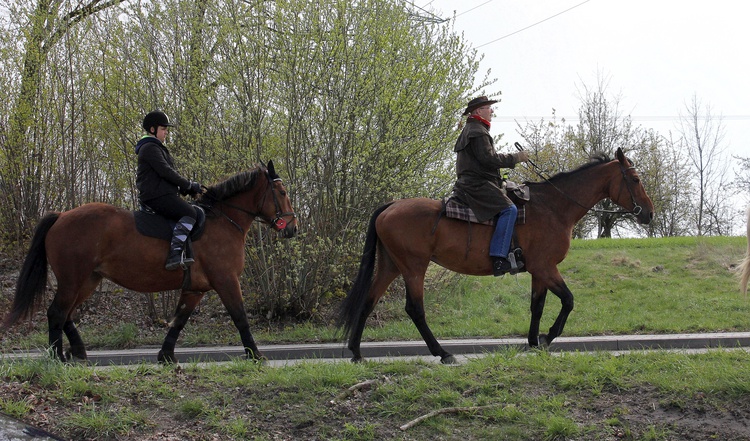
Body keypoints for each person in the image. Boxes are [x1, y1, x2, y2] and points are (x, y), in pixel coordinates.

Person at [451, 96, 529, 276]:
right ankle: (499, 258)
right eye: (488, 108)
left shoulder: (472, 129)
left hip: (473, 182)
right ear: (478, 111)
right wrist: (515, 158)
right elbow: (489, 159)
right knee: (510, 210)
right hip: (476, 184)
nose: (492, 111)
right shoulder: (477, 131)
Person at [135, 110, 203, 271]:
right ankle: (175, 254)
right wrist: (188, 185)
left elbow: (166, 177)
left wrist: (186, 189)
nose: (166, 132)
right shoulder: (150, 148)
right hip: (156, 196)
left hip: (161, 193)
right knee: (190, 213)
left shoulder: (155, 147)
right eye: (163, 128)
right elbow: (166, 172)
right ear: (153, 130)